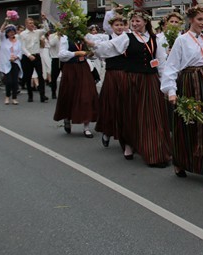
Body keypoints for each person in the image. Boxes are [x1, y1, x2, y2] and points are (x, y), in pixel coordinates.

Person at [92, 11, 170, 164]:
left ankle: (154, 149)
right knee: (131, 113)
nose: (134, 24)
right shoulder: (126, 37)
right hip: (132, 79)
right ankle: (128, 144)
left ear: (145, 22)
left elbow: (161, 63)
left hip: (150, 80)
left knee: (152, 115)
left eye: (137, 21)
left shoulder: (155, 39)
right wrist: (94, 45)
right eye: (132, 21)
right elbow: (108, 48)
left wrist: (166, 86)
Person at [160, 6, 203, 187]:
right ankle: (180, 162)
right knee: (187, 124)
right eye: (200, 20)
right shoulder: (181, 40)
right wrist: (171, 91)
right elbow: (171, 66)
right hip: (188, 82)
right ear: (190, 20)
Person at [53, 29, 99, 138]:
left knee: (87, 95)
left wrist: (91, 54)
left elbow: (91, 55)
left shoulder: (85, 38)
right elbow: (61, 55)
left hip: (83, 68)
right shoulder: (65, 38)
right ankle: (67, 117)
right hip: (71, 69)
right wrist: (76, 53)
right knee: (70, 94)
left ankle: (86, 127)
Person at [91, 14, 128, 148]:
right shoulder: (107, 39)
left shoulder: (127, 39)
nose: (119, 27)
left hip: (126, 75)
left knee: (125, 106)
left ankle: (125, 135)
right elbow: (99, 53)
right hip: (112, 75)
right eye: (117, 25)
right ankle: (107, 131)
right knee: (110, 104)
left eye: (122, 25)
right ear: (111, 27)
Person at [19, 16, 49, 103]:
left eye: (32, 23)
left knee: (40, 75)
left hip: (36, 55)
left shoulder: (37, 32)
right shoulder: (23, 34)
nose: (32, 25)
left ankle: (42, 95)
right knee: (28, 76)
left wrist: (44, 20)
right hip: (27, 57)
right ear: (26, 24)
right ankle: (30, 95)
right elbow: (23, 47)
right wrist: (29, 55)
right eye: (30, 23)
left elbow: (46, 29)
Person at [0, 23, 23, 105]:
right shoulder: (4, 40)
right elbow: (0, 32)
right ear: (7, 33)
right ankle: (7, 96)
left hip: (15, 63)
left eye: (12, 32)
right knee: (9, 81)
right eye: (9, 32)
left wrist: (16, 57)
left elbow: (20, 52)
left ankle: (14, 98)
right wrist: (5, 22)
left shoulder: (18, 42)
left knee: (15, 81)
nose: (11, 33)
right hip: (6, 63)